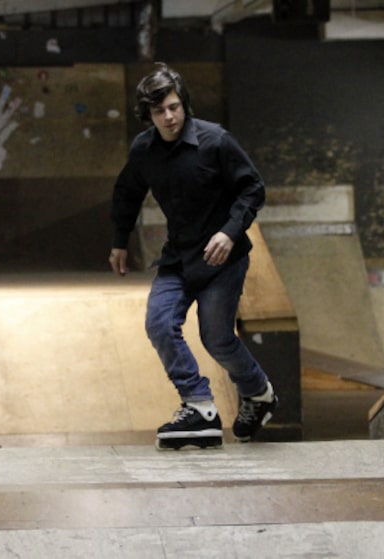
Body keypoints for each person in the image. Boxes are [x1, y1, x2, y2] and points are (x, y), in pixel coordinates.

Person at [108, 64, 276, 449]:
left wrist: (230, 232)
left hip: (223, 259)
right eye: (158, 112)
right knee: (159, 322)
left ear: (184, 104)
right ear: (147, 116)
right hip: (179, 257)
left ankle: (258, 393)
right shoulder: (144, 150)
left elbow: (252, 189)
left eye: (173, 107)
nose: (168, 117)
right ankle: (200, 406)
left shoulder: (215, 141)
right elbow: (126, 192)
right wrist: (120, 239)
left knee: (217, 339)